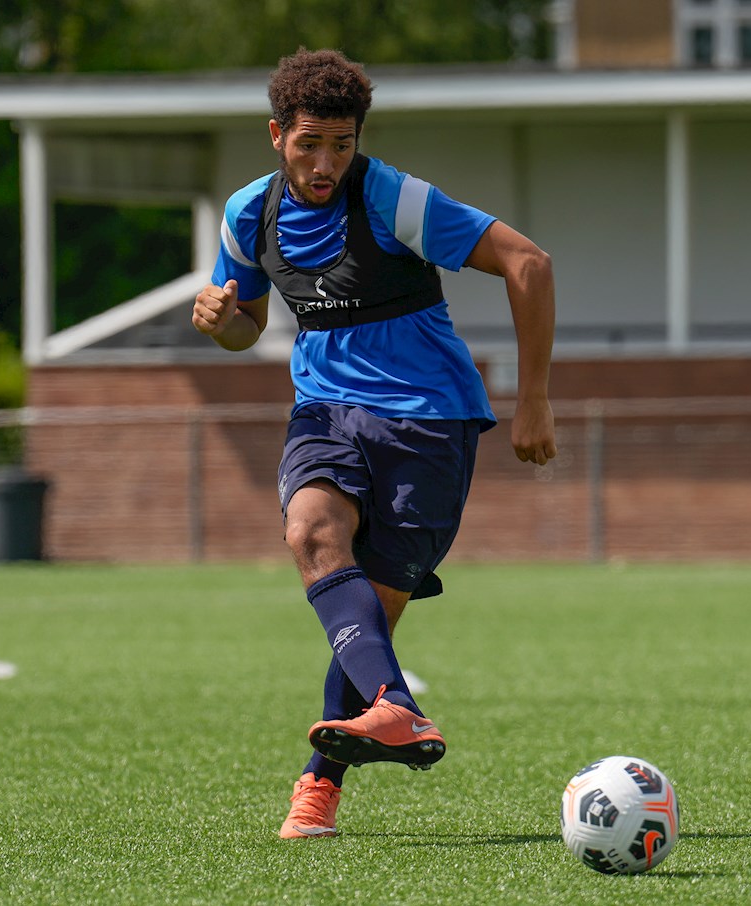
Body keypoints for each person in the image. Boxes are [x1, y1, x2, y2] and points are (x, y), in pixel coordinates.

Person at [192, 48, 557, 840]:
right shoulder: (248, 214)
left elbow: (527, 262)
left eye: (341, 145)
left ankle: (321, 783)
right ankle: (392, 713)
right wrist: (224, 325)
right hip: (324, 409)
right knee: (309, 531)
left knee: (371, 623)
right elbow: (246, 321)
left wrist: (532, 400)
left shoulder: (395, 199)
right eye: (309, 144)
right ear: (277, 136)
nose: (325, 164)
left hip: (430, 420)